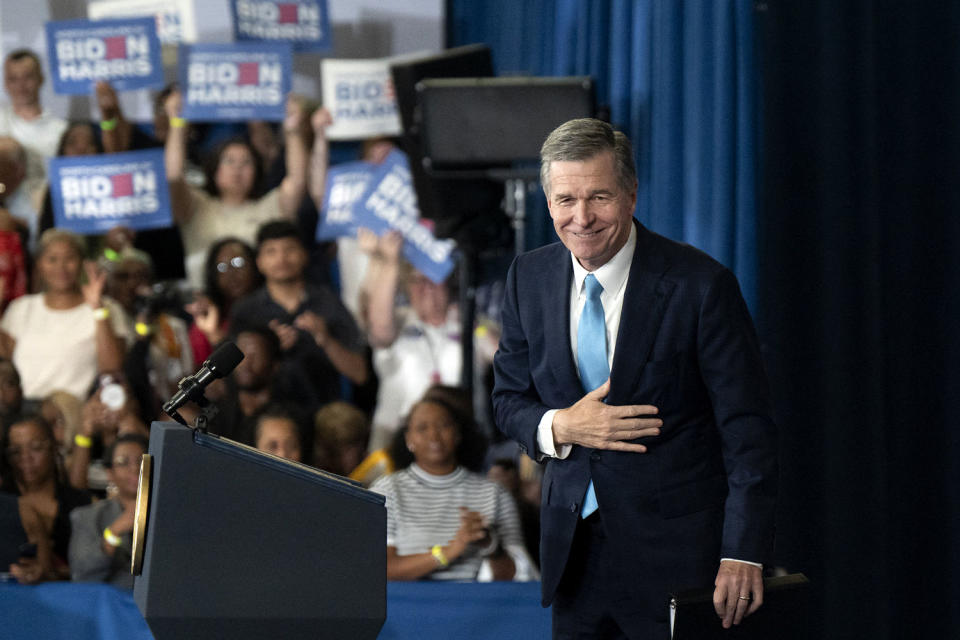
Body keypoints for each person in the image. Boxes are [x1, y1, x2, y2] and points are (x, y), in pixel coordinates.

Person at [491, 118, 778, 638]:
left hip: (680, 558)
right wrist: (560, 426)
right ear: (548, 201)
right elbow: (509, 400)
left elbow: (748, 431)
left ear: (631, 195)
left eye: (598, 197)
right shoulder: (526, 278)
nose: (581, 217)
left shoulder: (701, 285)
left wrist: (743, 551)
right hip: (573, 554)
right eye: (565, 199)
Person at [370, 386, 537, 583]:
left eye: (443, 426)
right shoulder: (386, 491)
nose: (434, 435)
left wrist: (491, 545)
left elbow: (517, 579)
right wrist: (448, 551)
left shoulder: (494, 494)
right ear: (409, 440)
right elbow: (376, 569)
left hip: (475, 607)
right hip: (408, 607)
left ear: (458, 434)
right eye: (422, 428)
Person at [163, 88, 311, 287]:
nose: (237, 170)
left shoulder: (269, 207)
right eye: (229, 161)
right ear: (214, 169)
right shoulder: (197, 207)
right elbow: (173, 176)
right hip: (206, 305)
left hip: (258, 306)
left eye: (246, 163)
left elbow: (298, 180)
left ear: (257, 171)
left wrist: (293, 129)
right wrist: (177, 124)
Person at [231, 221, 368, 406]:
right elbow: (230, 377)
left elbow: (359, 374)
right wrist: (268, 346)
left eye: (289, 249)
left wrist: (325, 339)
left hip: (323, 412)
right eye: (271, 251)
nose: (281, 259)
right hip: (265, 413)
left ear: (304, 255)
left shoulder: (328, 303)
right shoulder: (245, 312)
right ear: (259, 262)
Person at [0, 229, 128, 401]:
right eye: (52, 259)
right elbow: (5, 362)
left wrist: (97, 308)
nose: (61, 267)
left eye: (70, 258)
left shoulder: (108, 308)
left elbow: (112, 368)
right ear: (39, 264)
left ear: (82, 262)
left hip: (77, 412)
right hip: (26, 413)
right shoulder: (21, 308)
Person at [0, 414, 91, 579]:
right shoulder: (6, 505)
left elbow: (96, 566)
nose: (25, 458)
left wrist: (53, 572)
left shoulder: (79, 504)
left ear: (54, 447)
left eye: (35, 448)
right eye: (15, 451)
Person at [67, 433, 147, 589]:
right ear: (110, 473)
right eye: (123, 462)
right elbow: (80, 574)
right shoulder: (87, 516)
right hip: (110, 608)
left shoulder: (170, 516)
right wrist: (113, 532)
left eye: (142, 461)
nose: (135, 469)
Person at [0, 49, 67, 200]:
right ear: (5, 83)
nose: (21, 86)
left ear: (41, 78)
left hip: (48, 209)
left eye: (28, 77)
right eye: (13, 79)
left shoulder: (61, 130)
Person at [186, 237, 262, 367]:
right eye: (221, 267)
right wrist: (214, 335)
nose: (231, 274)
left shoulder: (270, 306)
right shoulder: (207, 318)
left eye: (237, 263)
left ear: (256, 264)